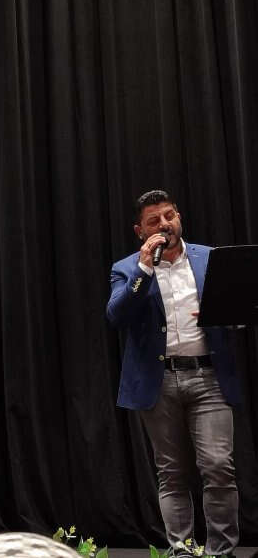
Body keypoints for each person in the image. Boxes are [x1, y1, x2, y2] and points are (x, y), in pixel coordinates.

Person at [106, 190, 240, 557]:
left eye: (169, 215)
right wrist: (144, 269)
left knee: (218, 466)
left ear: (178, 216)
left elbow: (241, 306)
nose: (165, 224)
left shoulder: (210, 258)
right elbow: (117, 315)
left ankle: (221, 552)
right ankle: (182, 550)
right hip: (159, 382)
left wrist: (229, 315)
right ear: (140, 231)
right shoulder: (127, 269)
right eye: (154, 220)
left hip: (209, 377)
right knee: (172, 473)